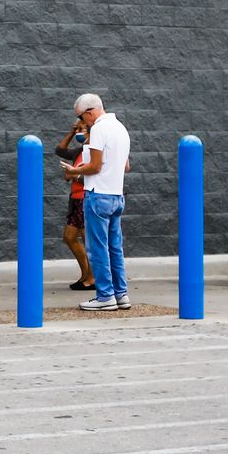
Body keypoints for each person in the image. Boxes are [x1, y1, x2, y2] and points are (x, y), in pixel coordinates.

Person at [63, 93, 131, 311]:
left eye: (82, 117)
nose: (83, 123)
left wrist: (75, 170)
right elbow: (126, 166)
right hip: (116, 195)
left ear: (90, 112)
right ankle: (121, 294)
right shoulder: (120, 128)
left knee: (98, 248)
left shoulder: (100, 129)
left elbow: (94, 166)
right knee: (115, 248)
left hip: (98, 194)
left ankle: (105, 296)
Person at [54, 116, 95, 293]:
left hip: (86, 198)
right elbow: (60, 150)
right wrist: (72, 133)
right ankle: (85, 273)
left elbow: (94, 174)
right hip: (75, 199)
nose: (79, 132)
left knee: (89, 241)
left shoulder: (95, 151)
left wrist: (73, 175)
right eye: (77, 129)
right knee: (70, 237)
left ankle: (92, 278)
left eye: (81, 129)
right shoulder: (80, 151)